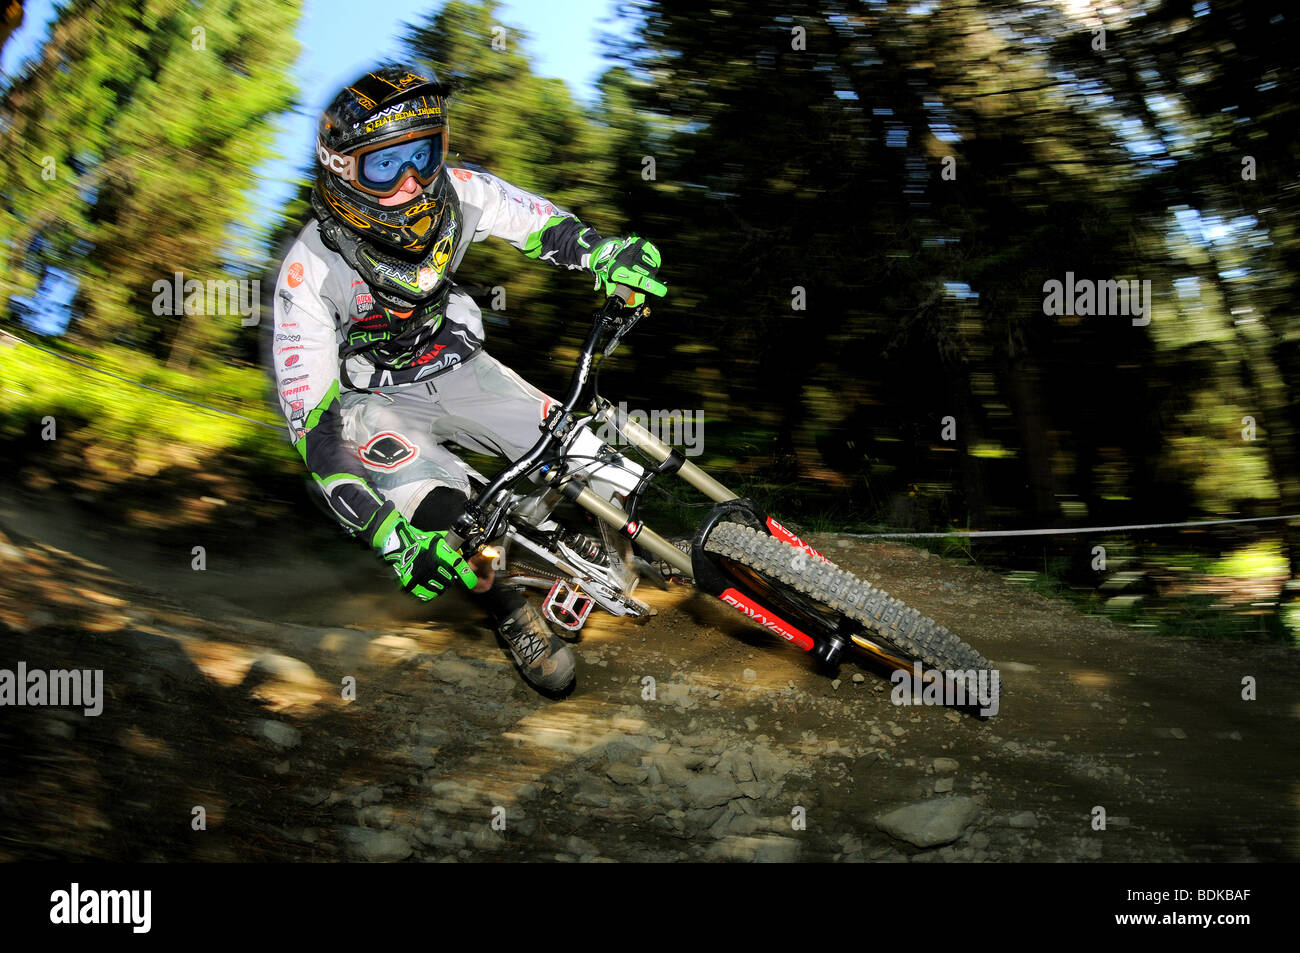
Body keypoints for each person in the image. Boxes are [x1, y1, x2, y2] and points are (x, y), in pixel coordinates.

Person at [272, 64, 666, 695]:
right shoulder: (308, 272)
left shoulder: (459, 193)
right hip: (373, 403)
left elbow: (542, 226)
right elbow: (316, 434)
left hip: (462, 367)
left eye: (422, 155)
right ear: (342, 169)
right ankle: (509, 610)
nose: (409, 182)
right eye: (384, 165)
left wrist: (605, 253)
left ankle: (617, 546)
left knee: (602, 464)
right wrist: (388, 537)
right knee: (442, 521)